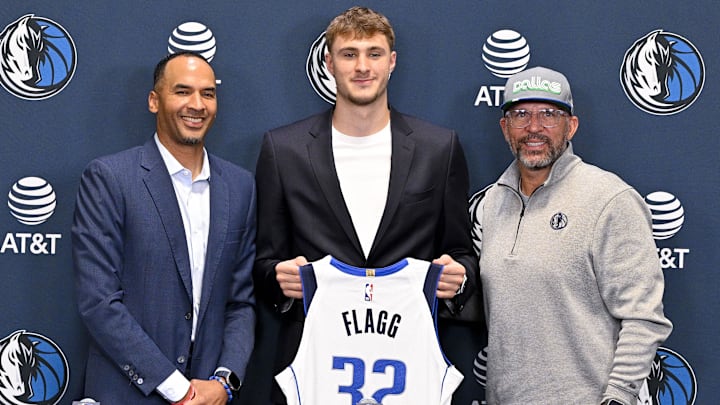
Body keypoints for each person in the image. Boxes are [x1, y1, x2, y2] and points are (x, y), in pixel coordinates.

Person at [253, 6, 477, 404]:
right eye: (349, 53)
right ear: (329, 62)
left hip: (410, 367)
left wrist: (459, 278)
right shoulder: (283, 149)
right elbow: (264, 262)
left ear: (391, 62)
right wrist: (279, 282)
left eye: (374, 53)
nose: (362, 67)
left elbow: (461, 252)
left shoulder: (438, 148)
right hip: (316, 368)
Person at [473, 66, 673, 405]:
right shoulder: (491, 203)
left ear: (572, 126)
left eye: (549, 114)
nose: (534, 128)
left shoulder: (610, 199)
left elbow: (643, 317)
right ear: (505, 128)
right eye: (521, 114)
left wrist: (619, 397)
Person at [72, 51, 256, 404]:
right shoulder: (110, 178)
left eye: (207, 93)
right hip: (126, 394)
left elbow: (241, 303)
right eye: (182, 91)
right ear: (155, 101)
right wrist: (177, 388)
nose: (197, 105)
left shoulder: (240, 186)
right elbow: (98, 301)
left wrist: (224, 381)